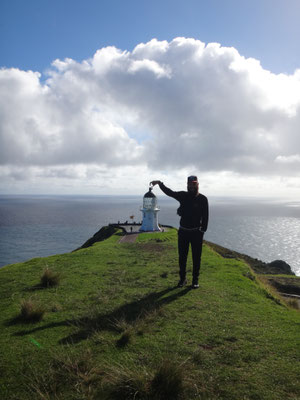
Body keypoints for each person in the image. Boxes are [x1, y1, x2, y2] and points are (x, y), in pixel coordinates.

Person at [150, 176, 209, 289]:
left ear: (197, 185)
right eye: (190, 184)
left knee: (197, 258)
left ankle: (195, 280)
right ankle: (182, 279)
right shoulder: (183, 195)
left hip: (196, 233)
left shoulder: (203, 199)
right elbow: (170, 193)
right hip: (183, 232)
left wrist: (203, 230)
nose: (192, 186)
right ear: (187, 185)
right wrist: (160, 183)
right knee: (182, 257)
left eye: (194, 184)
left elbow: (205, 216)